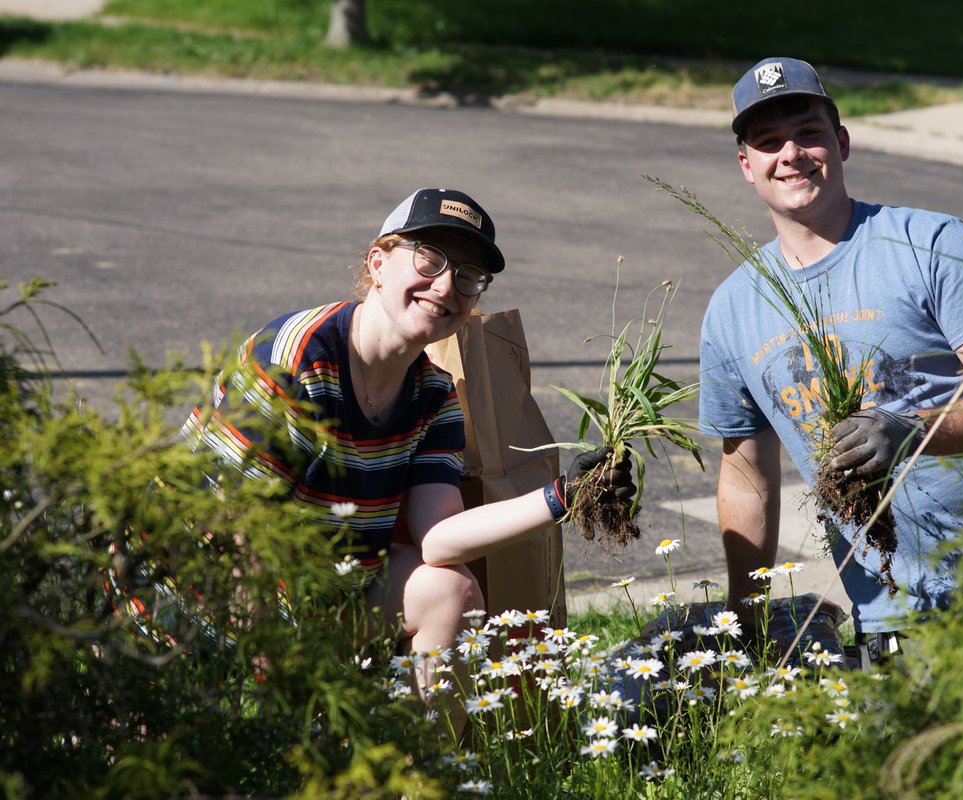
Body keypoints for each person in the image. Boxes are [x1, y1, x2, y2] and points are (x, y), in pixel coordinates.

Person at [183, 187, 633, 682]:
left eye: (468, 277)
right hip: (202, 602)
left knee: (449, 593)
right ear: (377, 263)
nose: (445, 287)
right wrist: (284, 691)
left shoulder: (434, 395)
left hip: (321, 598)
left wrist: (564, 495)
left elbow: (438, 539)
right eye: (429, 259)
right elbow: (229, 530)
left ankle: (422, 759)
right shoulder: (294, 359)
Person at [698, 58, 963, 666]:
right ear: (746, 166)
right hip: (890, 617)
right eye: (769, 141)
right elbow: (745, 475)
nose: (792, 154)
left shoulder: (934, 244)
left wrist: (909, 433)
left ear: (842, 142)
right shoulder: (732, 309)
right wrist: (745, 622)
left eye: (808, 132)